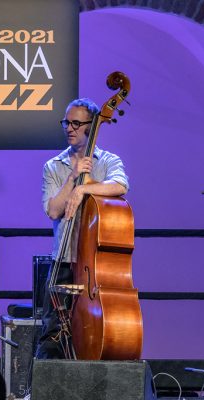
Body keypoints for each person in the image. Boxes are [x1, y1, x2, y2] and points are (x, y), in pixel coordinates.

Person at [37, 98, 129, 359]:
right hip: (64, 262)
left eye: (76, 123)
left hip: (97, 268)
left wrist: (84, 188)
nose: (69, 128)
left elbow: (120, 186)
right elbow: (53, 210)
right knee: (51, 333)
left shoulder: (108, 160)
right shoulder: (53, 166)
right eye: (67, 122)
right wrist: (71, 178)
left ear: (92, 125)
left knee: (98, 331)